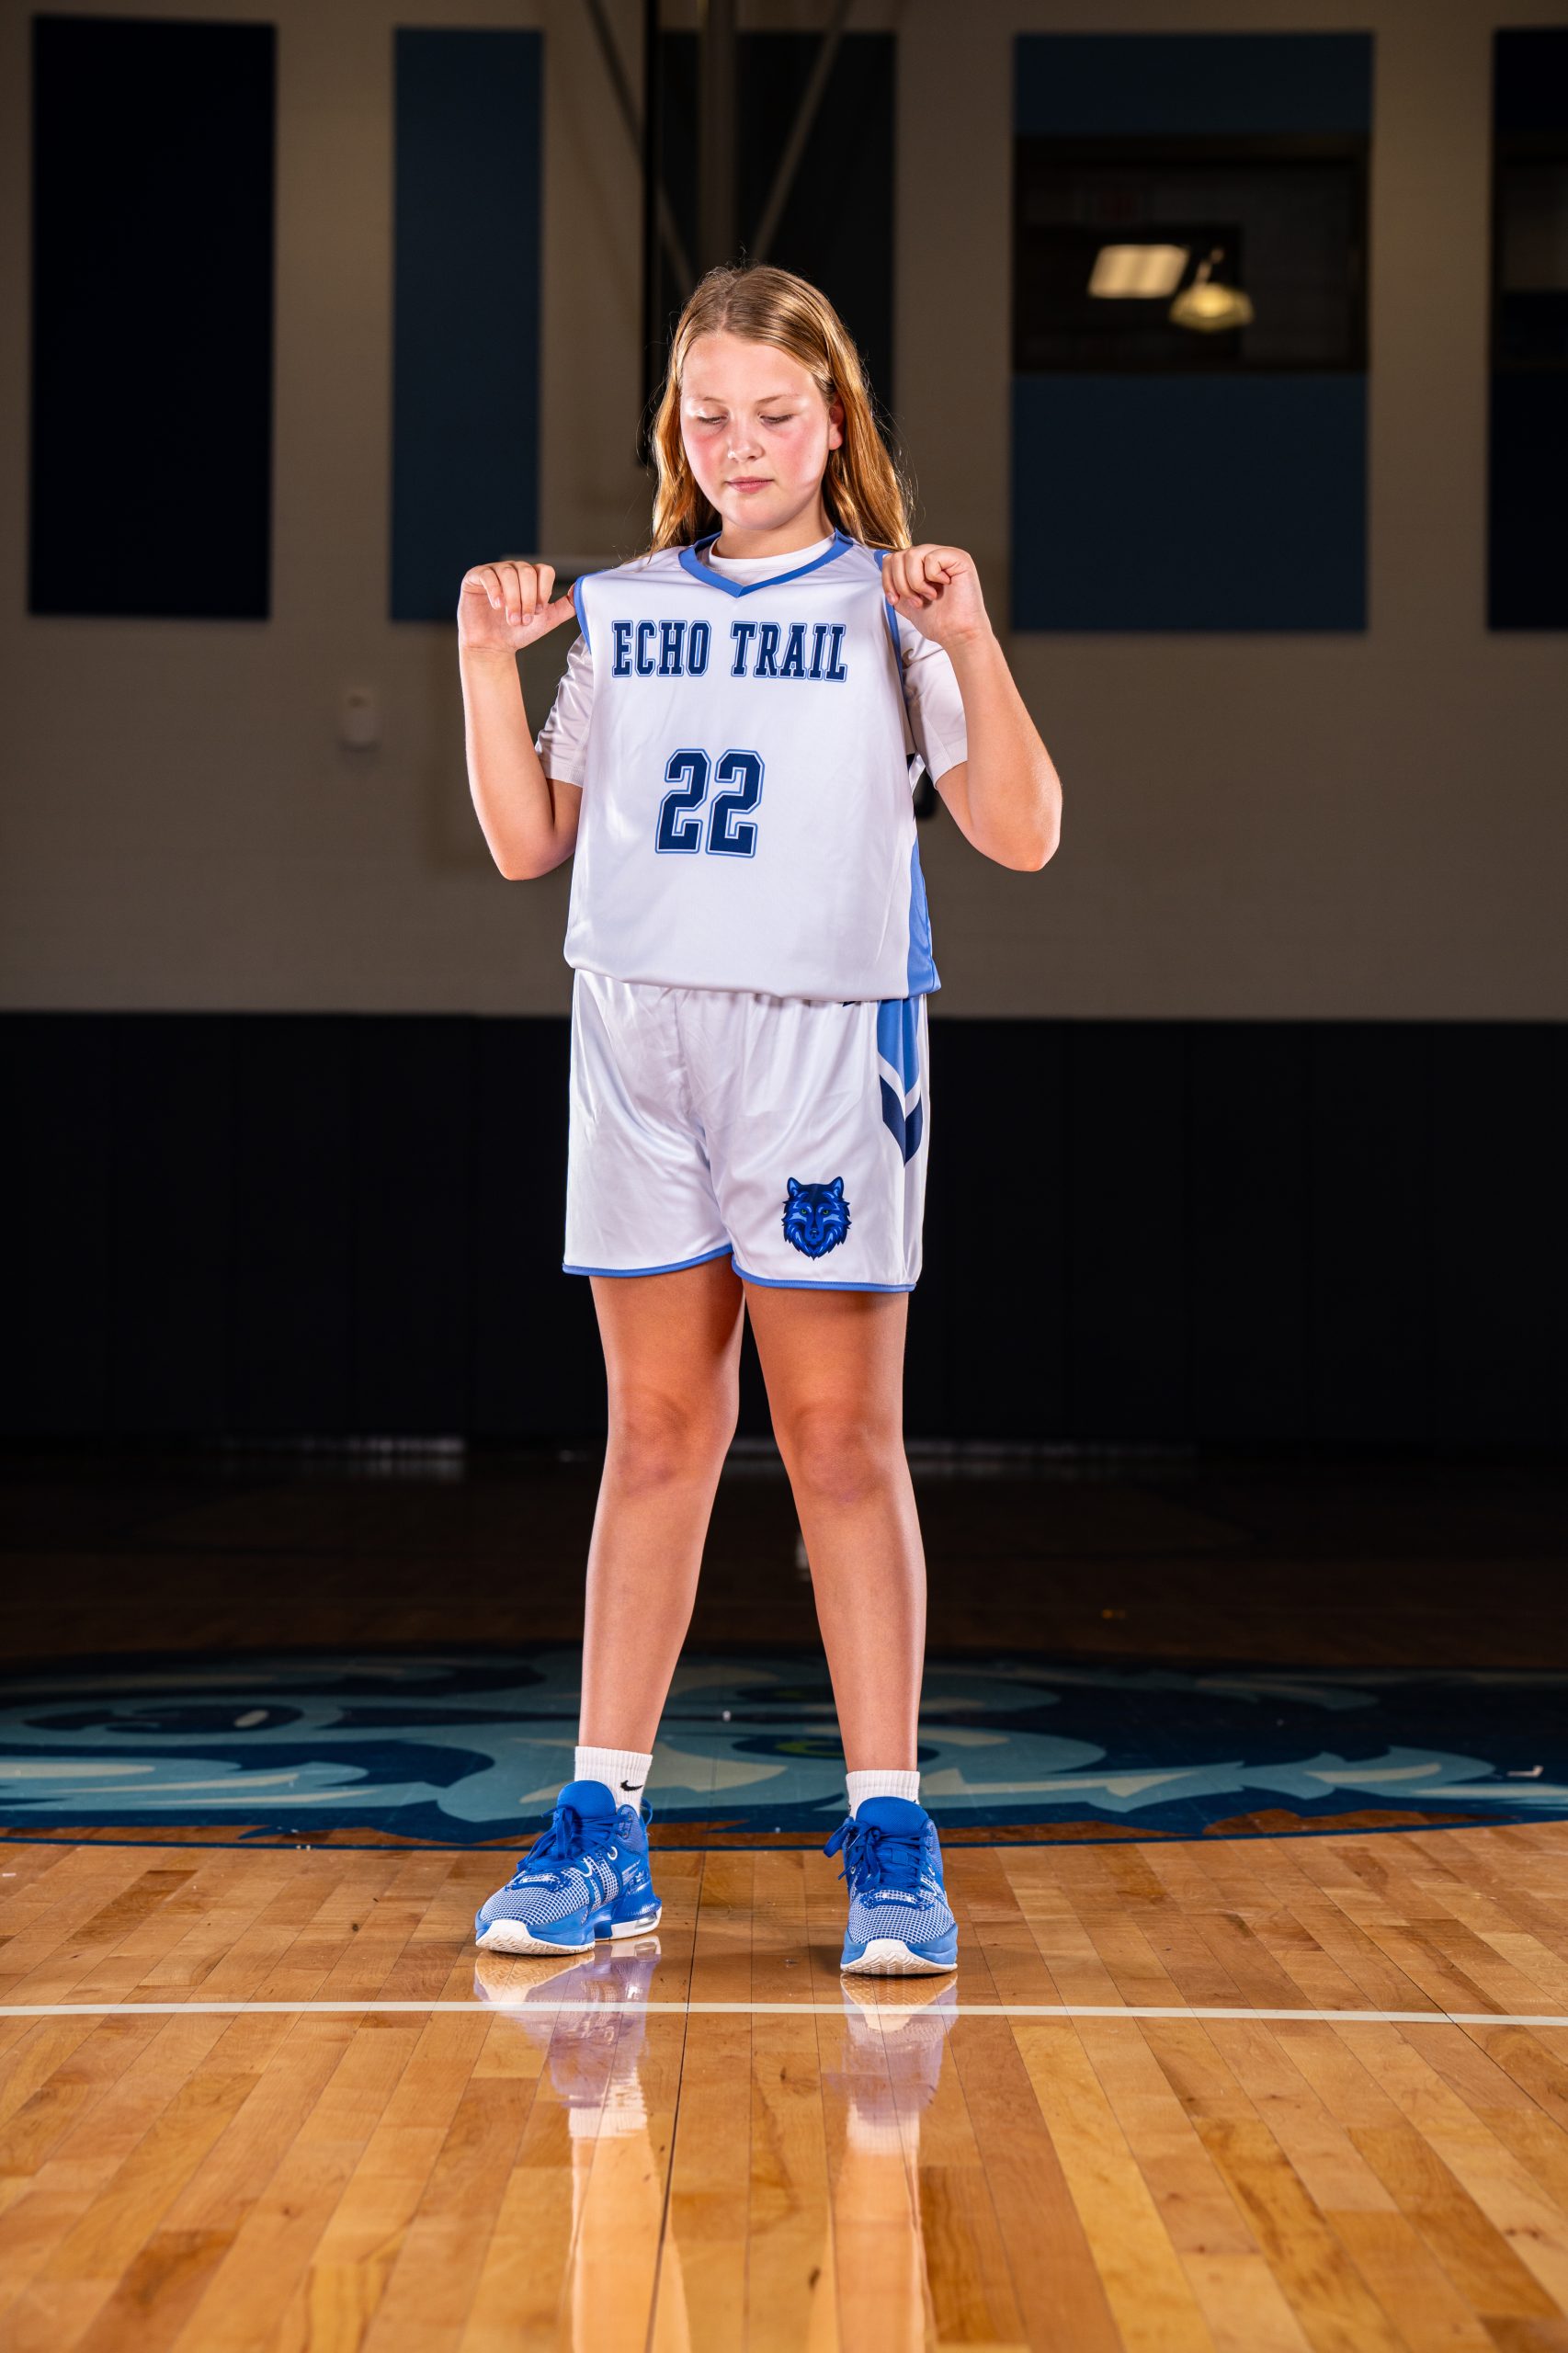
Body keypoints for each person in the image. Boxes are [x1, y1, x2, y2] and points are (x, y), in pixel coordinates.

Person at [458, 264, 1060, 1975]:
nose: (739, 443)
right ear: (675, 429)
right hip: (637, 1035)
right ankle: (600, 1827)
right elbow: (524, 844)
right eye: (707, 415)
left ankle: (890, 1832)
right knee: (653, 1434)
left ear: (833, 420)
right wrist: (483, 663)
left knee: (837, 1442)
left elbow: (1022, 833)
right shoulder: (624, 607)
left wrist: (972, 639)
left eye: (773, 413)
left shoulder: (894, 602)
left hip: (820, 1037)